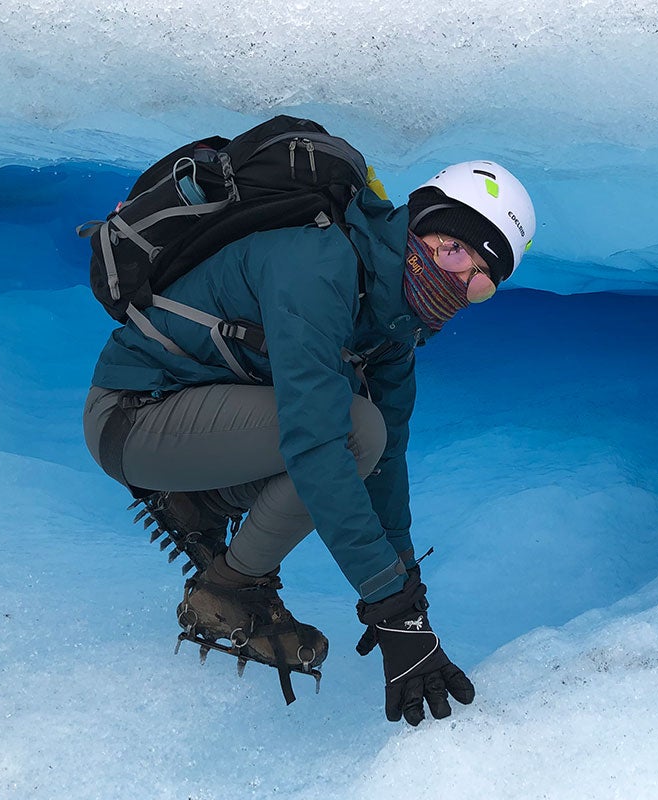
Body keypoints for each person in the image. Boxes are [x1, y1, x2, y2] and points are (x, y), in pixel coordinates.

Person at [83, 159, 536, 724]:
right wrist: (389, 608)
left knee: (368, 435)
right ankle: (228, 592)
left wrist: (404, 587)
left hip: (193, 424)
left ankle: (198, 503)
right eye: (455, 252)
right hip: (133, 415)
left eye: (480, 283)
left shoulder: (391, 321)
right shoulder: (318, 266)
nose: (460, 282)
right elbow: (317, 445)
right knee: (346, 431)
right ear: (418, 222)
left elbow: (387, 458)